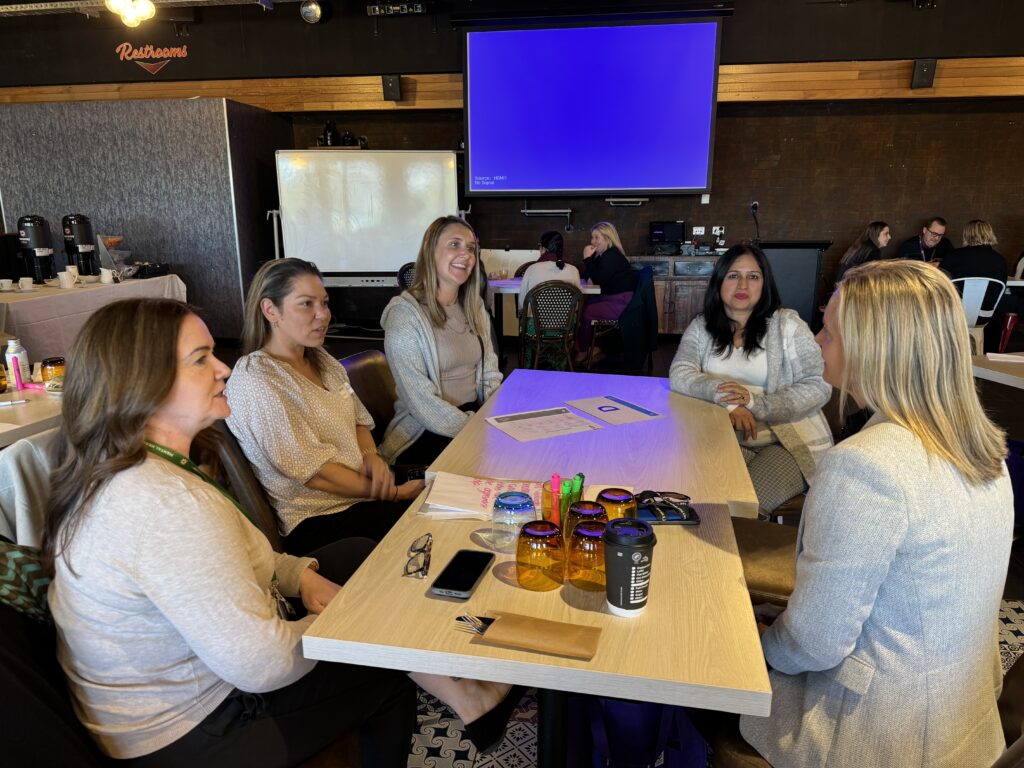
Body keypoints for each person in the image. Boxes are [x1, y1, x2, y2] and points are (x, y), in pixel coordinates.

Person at [43, 298, 522, 767]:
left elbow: (249, 553)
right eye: (200, 359)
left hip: (194, 686)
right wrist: (352, 625)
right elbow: (262, 665)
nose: (222, 368)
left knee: (356, 557)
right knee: (383, 667)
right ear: (141, 385)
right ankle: (466, 696)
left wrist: (302, 576)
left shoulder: (149, 468)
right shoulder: (162, 504)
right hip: (192, 729)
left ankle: (466, 694)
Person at [739, 260, 1013, 767]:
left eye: (830, 331)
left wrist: (758, 646)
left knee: (695, 674)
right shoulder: (988, 452)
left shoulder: (865, 466)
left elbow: (815, 645)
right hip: (966, 723)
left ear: (873, 349)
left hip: (879, 737)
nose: (818, 339)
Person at [226, 258, 424, 557]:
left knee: (445, 481)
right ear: (270, 310)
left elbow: (359, 420)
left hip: (363, 491)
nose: (323, 315)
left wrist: (372, 457)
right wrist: (392, 493)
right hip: (320, 518)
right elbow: (316, 475)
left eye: (325, 303)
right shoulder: (257, 379)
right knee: (432, 528)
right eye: (306, 304)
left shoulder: (322, 361)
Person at [669, 244, 832, 513]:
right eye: (733, 275)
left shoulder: (787, 325)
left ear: (764, 283)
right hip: (722, 437)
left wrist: (756, 404)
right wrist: (729, 400)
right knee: (689, 493)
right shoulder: (702, 326)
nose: (742, 284)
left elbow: (819, 383)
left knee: (742, 509)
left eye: (753, 276)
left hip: (785, 443)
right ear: (719, 282)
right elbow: (680, 374)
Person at [380, 216, 502, 466]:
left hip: (473, 418)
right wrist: (478, 430)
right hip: (424, 432)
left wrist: (497, 419)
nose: (466, 254)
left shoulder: (474, 306)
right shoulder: (404, 315)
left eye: (471, 248)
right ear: (430, 252)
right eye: (454, 244)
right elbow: (421, 403)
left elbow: (489, 372)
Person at [941, 219, 1021, 352]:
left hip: (954, 315)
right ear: (989, 234)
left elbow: (939, 284)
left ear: (966, 235)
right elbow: (1000, 292)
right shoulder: (1000, 261)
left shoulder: (953, 257)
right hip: (984, 318)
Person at [577, 221, 636, 359]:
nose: (593, 241)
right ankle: (590, 347)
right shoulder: (604, 255)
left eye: (597, 237)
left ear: (608, 239)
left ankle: (584, 350)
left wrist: (587, 259)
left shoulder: (612, 256)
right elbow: (587, 276)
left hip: (622, 302)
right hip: (613, 297)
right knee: (584, 306)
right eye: (592, 237)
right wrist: (590, 260)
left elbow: (597, 279)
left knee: (586, 311)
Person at [518, 230, 581, 309]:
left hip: (535, 320)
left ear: (543, 248)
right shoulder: (573, 270)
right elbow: (577, 302)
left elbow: (522, 302)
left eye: (539, 247)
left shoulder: (532, 269)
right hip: (566, 320)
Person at [833, 220, 890, 286]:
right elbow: (874, 280)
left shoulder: (860, 246)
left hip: (840, 290)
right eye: (886, 234)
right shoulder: (873, 251)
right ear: (876, 234)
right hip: (850, 291)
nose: (889, 237)